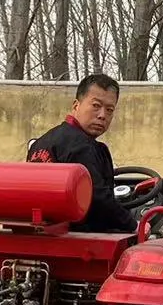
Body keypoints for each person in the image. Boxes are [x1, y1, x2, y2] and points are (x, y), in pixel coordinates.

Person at [27, 73, 135, 233]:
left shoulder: (41, 143)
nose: (102, 115)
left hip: (39, 234)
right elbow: (98, 199)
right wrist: (134, 225)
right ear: (76, 105)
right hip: (80, 240)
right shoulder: (81, 146)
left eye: (109, 110)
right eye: (96, 106)